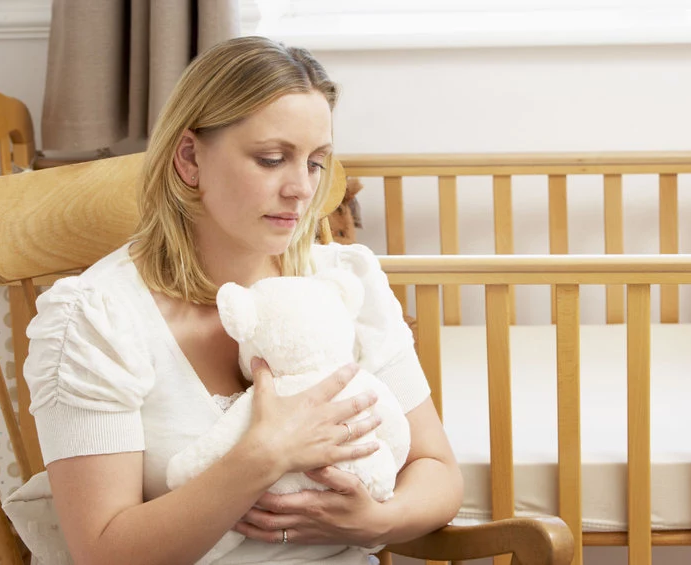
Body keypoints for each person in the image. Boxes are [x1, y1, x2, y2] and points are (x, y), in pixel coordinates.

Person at [23, 36, 464, 564]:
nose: (301, 188)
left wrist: (377, 521)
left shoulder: (344, 283)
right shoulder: (97, 319)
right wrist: (264, 454)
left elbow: (437, 470)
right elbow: (104, 552)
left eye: (316, 162)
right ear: (189, 158)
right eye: (272, 159)